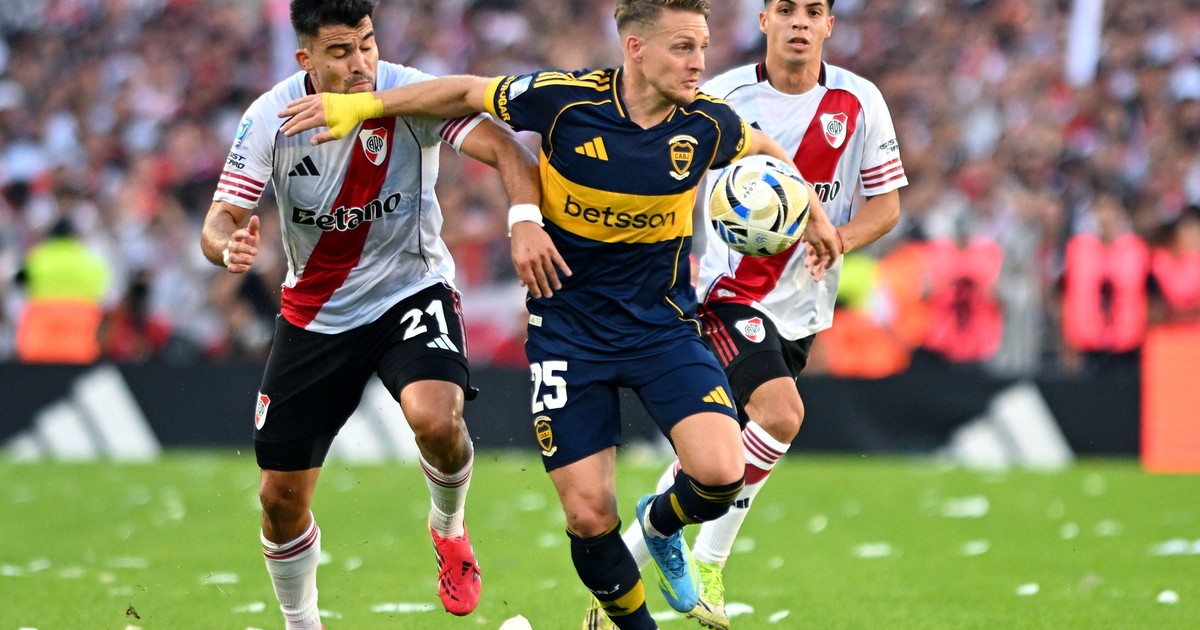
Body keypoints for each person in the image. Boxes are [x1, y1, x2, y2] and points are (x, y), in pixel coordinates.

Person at [279, 1, 840, 628]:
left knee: (721, 474)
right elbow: (463, 92)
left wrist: (814, 217)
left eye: (702, 47)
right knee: (590, 516)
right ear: (635, 49)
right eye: (683, 47)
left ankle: (660, 524)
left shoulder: (706, 123)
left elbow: (761, 146)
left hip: (661, 328)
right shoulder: (566, 101)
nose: (698, 63)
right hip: (569, 336)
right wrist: (363, 106)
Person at [198, 1, 541, 626]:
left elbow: (509, 153)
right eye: (340, 52)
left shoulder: (409, 92)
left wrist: (524, 223)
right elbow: (219, 220)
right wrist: (228, 246)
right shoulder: (271, 115)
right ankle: (302, 623)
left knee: (436, 419)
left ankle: (449, 526)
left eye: (367, 44)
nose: (360, 63)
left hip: (409, 289)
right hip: (316, 314)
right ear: (306, 59)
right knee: (279, 500)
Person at [616, 1, 908, 627]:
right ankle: (708, 561)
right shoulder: (720, 97)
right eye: (785, 9)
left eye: (813, 11)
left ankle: (621, 570)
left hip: (803, 306)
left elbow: (886, 206)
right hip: (727, 295)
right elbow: (661, 178)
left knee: (727, 449)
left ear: (829, 25)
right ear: (764, 21)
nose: (799, 21)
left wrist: (839, 239)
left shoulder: (860, 102)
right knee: (780, 414)